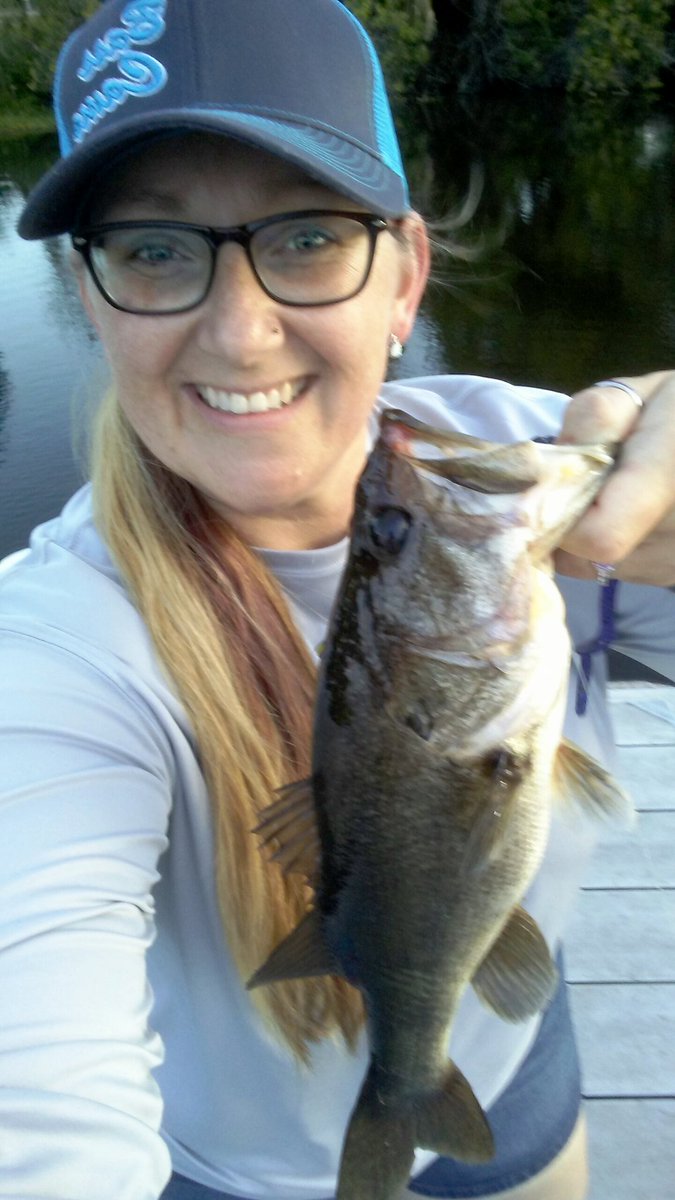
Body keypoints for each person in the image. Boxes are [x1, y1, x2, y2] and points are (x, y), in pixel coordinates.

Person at [1, 1, 674, 1198]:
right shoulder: (50, 652)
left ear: (404, 276)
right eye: (155, 251)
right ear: (91, 296)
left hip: (515, 1069)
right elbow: (38, 1102)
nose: (241, 328)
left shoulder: (542, 476)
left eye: (307, 238)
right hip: (232, 1169)